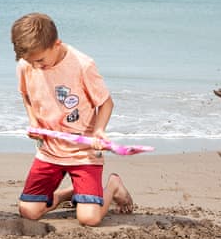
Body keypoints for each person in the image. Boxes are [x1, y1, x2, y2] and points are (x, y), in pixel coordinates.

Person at [10, 12, 134, 226]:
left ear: (56, 44)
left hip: (83, 153)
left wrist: (99, 131)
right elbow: (26, 95)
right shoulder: (26, 65)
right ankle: (69, 193)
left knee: (89, 218)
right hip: (50, 150)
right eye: (32, 61)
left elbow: (106, 103)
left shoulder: (82, 65)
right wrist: (33, 121)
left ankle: (112, 185)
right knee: (28, 211)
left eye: (40, 60)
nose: (37, 66)